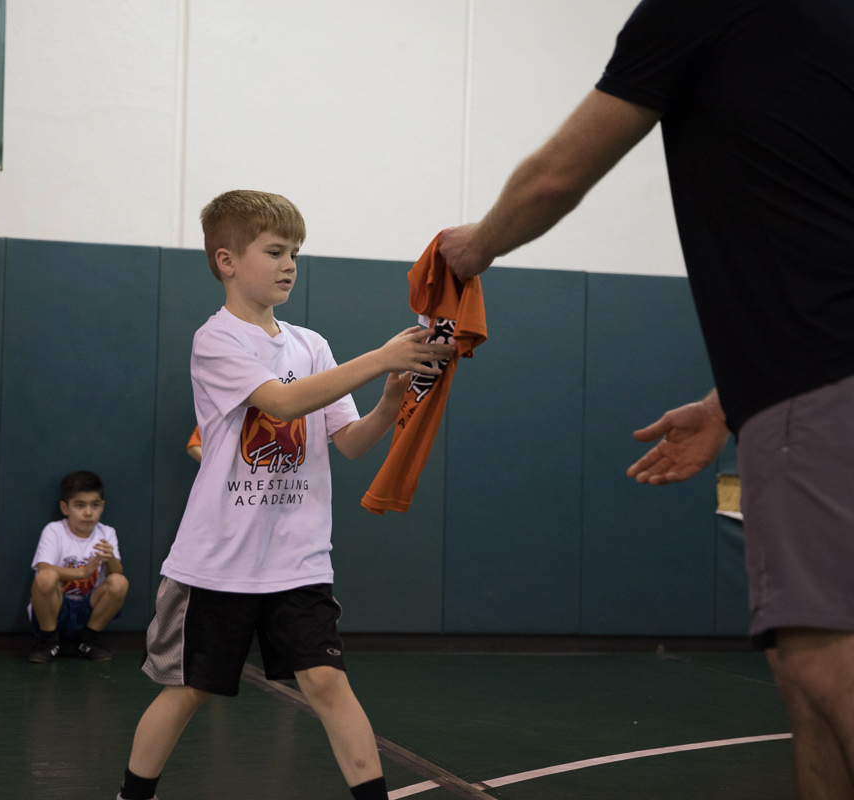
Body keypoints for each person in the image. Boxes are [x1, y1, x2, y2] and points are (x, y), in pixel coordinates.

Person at [437, 2, 854, 796]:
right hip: (805, 380)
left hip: (815, 387)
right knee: (805, 678)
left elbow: (559, 173)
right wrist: (727, 402)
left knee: (824, 657)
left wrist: (477, 246)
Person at [116, 190, 456, 800]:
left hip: (296, 561)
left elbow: (348, 442)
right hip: (218, 563)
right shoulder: (215, 340)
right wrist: (380, 358)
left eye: (294, 252)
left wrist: (386, 402)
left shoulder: (312, 345)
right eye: (274, 251)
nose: (289, 264)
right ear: (226, 261)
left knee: (327, 682)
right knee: (188, 691)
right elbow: (281, 402)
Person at [29, 470, 128, 663]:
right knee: (46, 578)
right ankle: (48, 641)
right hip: (57, 607)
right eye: (80, 505)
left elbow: (115, 574)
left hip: (88, 607)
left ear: (102, 507)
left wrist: (111, 559)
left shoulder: (106, 533)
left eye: (95, 505)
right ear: (65, 508)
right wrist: (82, 572)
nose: (88, 512)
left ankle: (89, 639)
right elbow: (43, 568)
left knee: (119, 582)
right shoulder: (55, 530)